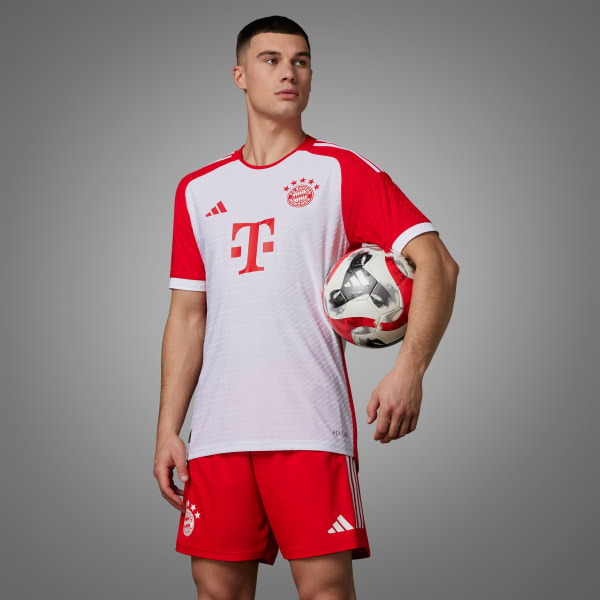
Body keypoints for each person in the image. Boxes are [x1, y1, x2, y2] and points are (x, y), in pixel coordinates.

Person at [154, 15, 459, 600]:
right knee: (215, 590)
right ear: (240, 75)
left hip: (308, 424)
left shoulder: (339, 170)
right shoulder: (197, 189)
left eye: (300, 61)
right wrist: (168, 428)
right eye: (271, 60)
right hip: (217, 431)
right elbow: (187, 315)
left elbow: (438, 266)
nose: (288, 73)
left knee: (324, 590)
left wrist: (410, 371)